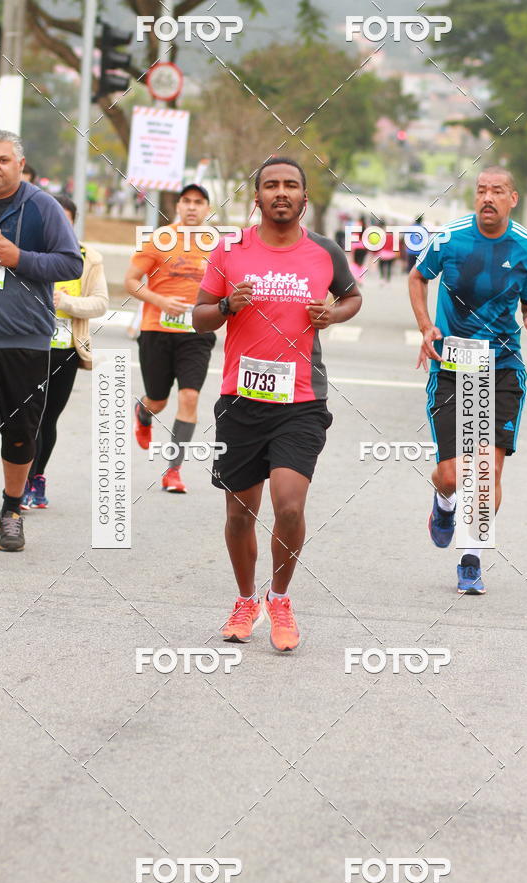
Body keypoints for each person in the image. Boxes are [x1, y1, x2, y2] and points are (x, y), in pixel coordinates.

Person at [194, 157, 362, 652]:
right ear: (258, 197)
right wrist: (227, 306)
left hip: (302, 399)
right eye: (271, 185)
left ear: (304, 199)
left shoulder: (324, 252)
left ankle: (280, 598)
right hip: (241, 399)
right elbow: (200, 316)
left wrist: (332, 312)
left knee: (288, 505)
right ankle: (246, 599)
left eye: (291, 185)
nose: (281, 192)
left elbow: (353, 297)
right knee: (240, 512)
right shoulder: (230, 251)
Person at [409, 166, 527, 594]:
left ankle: (472, 557)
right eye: (481, 191)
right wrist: (425, 325)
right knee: (452, 476)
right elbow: (417, 277)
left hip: (502, 369)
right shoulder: (449, 238)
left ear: (513, 198)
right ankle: (444, 502)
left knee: (486, 471)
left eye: (497, 191)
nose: (488, 198)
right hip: (451, 368)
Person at [0, 130, 82, 551]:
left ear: (20, 165)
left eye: (4, 159)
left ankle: (12, 509)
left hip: (23, 340)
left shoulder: (41, 207)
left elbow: (71, 262)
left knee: (20, 430)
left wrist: (20, 259)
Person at [124, 183, 216, 493]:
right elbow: (131, 281)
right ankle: (143, 411)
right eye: (187, 201)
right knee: (158, 400)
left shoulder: (218, 245)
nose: (192, 207)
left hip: (196, 333)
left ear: (207, 208)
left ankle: (173, 471)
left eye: (199, 202)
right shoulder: (158, 240)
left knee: (189, 397)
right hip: (156, 330)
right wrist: (161, 301)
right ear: (178, 205)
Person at [22, 195, 109, 508]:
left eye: (65, 217)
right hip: (30, 348)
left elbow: (100, 303)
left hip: (66, 352)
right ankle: (22, 482)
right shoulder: (26, 253)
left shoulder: (89, 257)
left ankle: (37, 479)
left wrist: (67, 303)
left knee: (48, 419)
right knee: (28, 417)